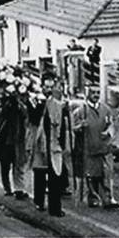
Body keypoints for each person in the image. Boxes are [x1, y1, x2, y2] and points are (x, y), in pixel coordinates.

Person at [28, 73, 71, 217]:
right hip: (40, 141)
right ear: (41, 86)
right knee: (40, 172)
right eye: (46, 86)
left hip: (54, 142)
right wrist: (40, 105)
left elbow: (64, 122)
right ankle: (39, 201)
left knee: (55, 175)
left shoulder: (59, 102)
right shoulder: (35, 100)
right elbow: (32, 118)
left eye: (51, 86)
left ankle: (55, 208)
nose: (48, 89)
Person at [73, 84, 119, 209]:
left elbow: (111, 124)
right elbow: (74, 128)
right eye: (93, 92)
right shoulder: (81, 111)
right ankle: (92, 198)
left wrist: (109, 131)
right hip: (89, 147)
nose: (95, 95)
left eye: (98, 93)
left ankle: (109, 198)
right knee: (91, 174)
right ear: (87, 93)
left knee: (107, 173)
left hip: (104, 147)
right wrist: (80, 126)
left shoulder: (106, 109)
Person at [0, 84, 28, 200]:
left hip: (17, 140)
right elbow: (0, 115)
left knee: (18, 165)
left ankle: (19, 189)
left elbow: (24, 115)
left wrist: (17, 102)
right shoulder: (2, 106)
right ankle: (7, 188)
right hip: (5, 140)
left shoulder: (20, 107)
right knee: (5, 166)